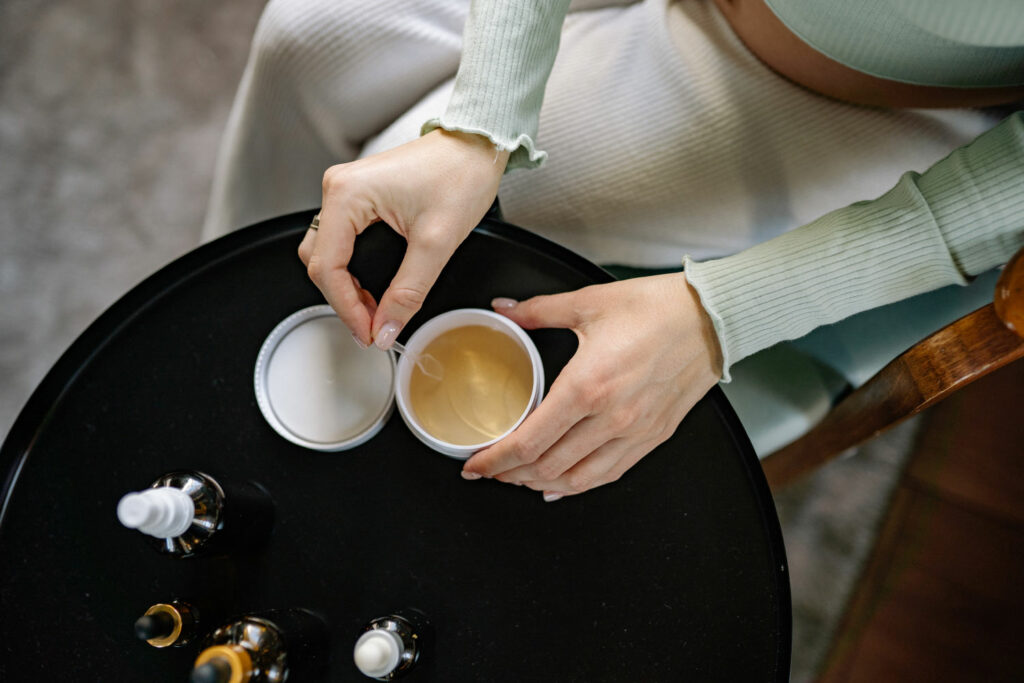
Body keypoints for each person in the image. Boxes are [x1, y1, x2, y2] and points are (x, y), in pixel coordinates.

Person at [205, 0, 1024, 501]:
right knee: (306, 35)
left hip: (854, 87)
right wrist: (481, 120)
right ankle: (226, 308)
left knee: (403, 212)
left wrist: (719, 315)